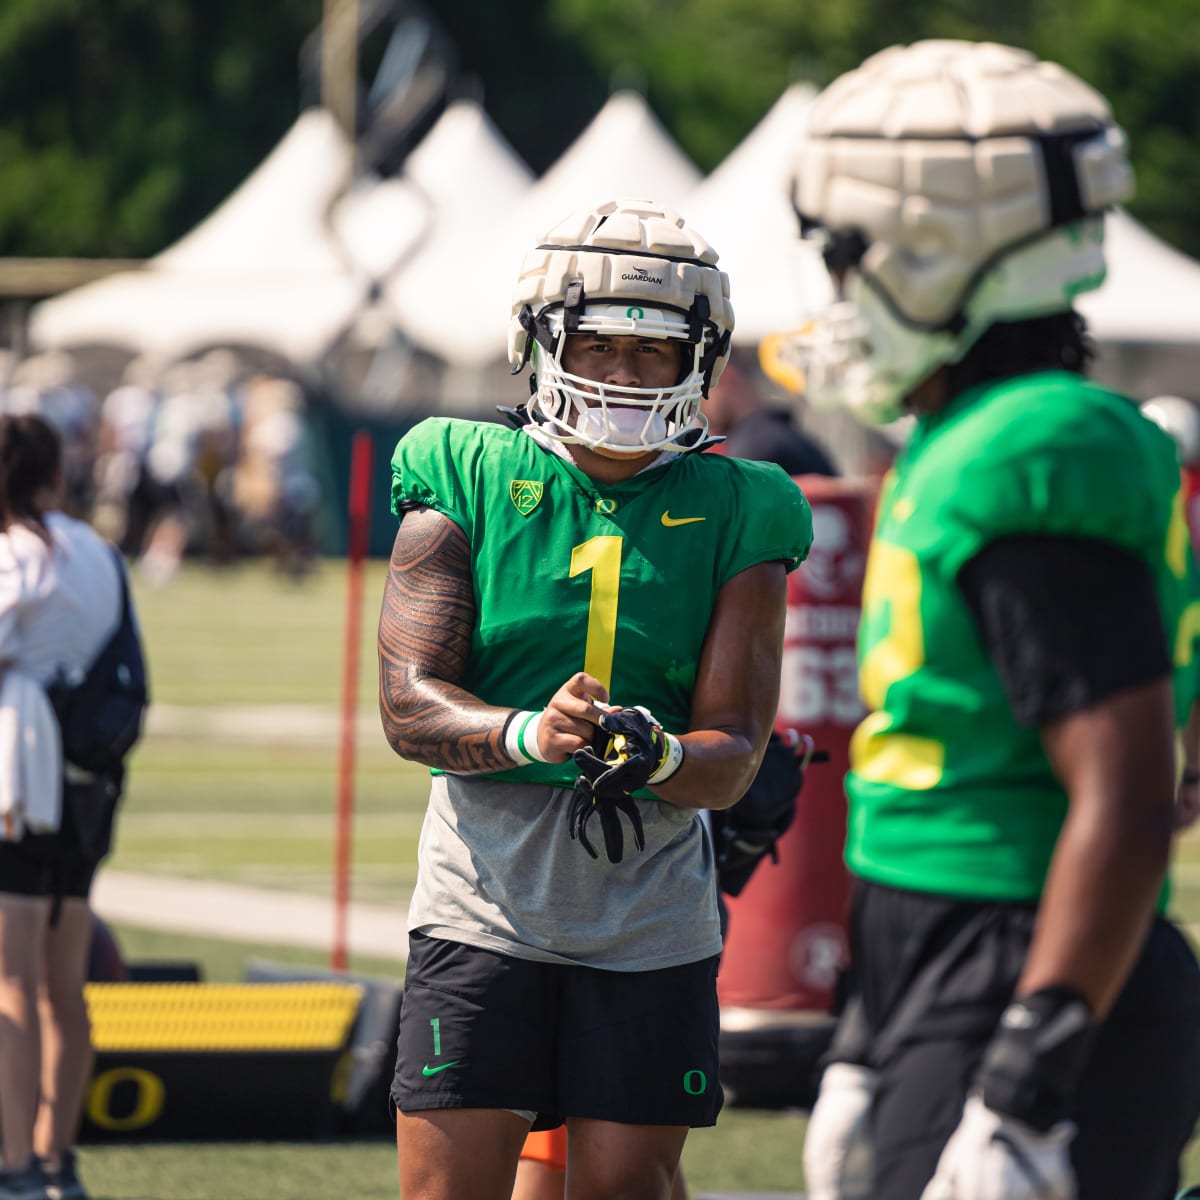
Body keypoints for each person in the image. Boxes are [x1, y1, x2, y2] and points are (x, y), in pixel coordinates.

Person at [759, 40, 1200, 1200]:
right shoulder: (962, 438)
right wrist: (865, 1029)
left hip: (1028, 957)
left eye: (851, 259)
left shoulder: (1034, 444)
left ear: (943, 250)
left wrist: (1027, 1078)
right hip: (952, 955)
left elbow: (1130, 786)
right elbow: (934, 773)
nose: (840, 293)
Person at [377, 197, 813, 1200]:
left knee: (626, 1192)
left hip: (650, 914)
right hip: (480, 903)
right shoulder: (464, 466)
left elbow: (736, 749)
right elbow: (408, 705)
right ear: (543, 341)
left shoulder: (746, 505)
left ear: (698, 359)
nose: (621, 372)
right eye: (599, 344)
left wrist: (656, 755)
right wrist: (532, 731)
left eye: (651, 352)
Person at [0, 414, 134, 1200]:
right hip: (91, 774)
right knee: (62, 981)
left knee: (11, 980)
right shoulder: (95, 549)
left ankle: (14, 1161)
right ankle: (57, 1157)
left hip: (18, 771)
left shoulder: (16, 552)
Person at [702, 350, 838, 477]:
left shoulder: (754, 447)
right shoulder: (781, 435)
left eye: (699, 388)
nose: (696, 406)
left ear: (725, 378)